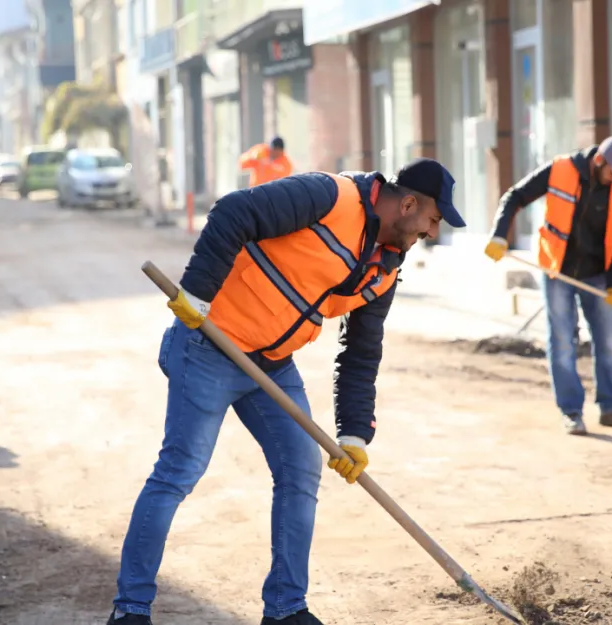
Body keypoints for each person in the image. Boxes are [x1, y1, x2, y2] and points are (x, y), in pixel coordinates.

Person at [108, 158, 465, 625]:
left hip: (272, 365)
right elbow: (234, 211)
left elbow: (361, 352)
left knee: (301, 471)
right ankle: (131, 609)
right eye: (433, 220)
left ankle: (285, 610)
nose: (433, 232)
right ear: (410, 203)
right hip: (209, 345)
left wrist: (354, 433)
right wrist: (197, 292)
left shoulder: (386, 269)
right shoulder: (330, 196)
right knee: (180, 470)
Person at [483, 136, 612, 436]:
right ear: (599, 161)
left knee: (608, 341)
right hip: (558, 270)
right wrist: (500, 234)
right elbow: (515, 196)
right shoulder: (560, 169)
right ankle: (571, 411)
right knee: (562, 341)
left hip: (599, 273)